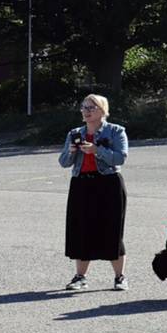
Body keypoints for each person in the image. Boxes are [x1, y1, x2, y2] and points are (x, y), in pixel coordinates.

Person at [58, 93, 129, 291]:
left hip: (109, 184)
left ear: (102, 110)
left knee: (112, 230)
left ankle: (119, 277)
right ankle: (80, 277)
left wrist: (97, 151)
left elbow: (120, 158)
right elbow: (63, 162)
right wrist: (72, 151)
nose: (86, 111)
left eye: (91, 107)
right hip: (82, 185)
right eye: (84, 107)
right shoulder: (74, 133)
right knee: (81, 230)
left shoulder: (116, 131)